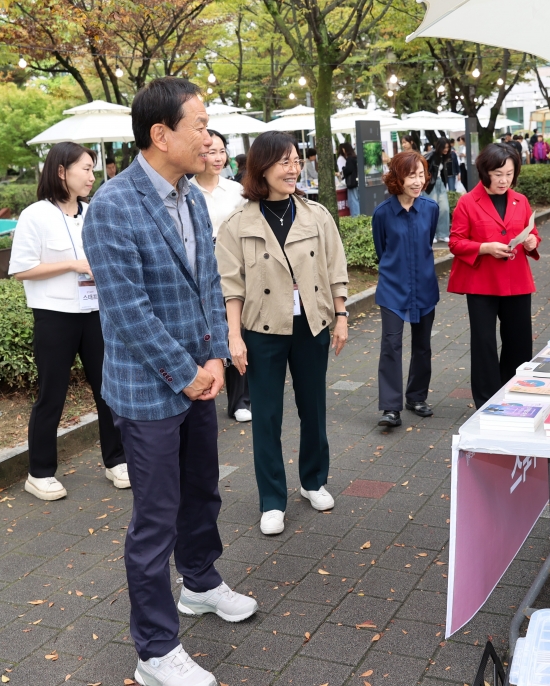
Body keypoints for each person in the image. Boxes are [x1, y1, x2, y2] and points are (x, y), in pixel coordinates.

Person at [83, 78, 255, 686]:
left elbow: (210, 284)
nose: (208, 136)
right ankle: (155, 649)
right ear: (161, 135)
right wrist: (186, 373)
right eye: (200, 125)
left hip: (198, 379)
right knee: (155, 519)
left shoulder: (187, 195)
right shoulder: (112, 205)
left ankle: (202, 582)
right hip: (149, 389)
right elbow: (126, 311)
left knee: (202, 492)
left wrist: (213, 357)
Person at [216, 131, 350, 537]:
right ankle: (272, 500)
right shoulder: (237, 224)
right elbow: (230, 286)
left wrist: (341, 314)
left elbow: (335, 267)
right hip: (262, 330)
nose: (293, 169)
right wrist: (234, 337)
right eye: (283, 162)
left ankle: (313, 481)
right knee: (267, 416)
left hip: (311, 324)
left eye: (296, 161)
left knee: (314, 407)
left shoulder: (316, 215)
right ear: (261, 168)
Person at [8, 143, 127, 502]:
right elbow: (21, 269)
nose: (92, 176)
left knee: (109, 391)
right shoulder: (35, 215)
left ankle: (117, 461)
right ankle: (40, 473)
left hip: (95, 313)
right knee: (52, 396)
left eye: (93, 169)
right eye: (86, 169)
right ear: (62, 171)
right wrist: (73, 265)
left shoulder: (94, 212)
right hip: (54, 317)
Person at [448, 143, 541, 407]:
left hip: (517, 280)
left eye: (509, 174)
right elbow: (455, 242)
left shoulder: (519, 200)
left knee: (519, 341)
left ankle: (514, 392)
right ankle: (487, 401)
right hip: (482, 283)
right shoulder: (467, 202)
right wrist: (484, 248)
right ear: (485, 171)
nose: (504, 180)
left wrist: (532, 241)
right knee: (484, 344)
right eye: (498, 174)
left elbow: (529, 232)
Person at [372, 151, 440, 429]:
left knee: (423, 345)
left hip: (424, 286)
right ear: (397, 178)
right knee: (391, 344)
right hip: (392, 288)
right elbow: (381, 249)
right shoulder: (383, 213)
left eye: (421, 175)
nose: (417, 181)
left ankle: (417, 397)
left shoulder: (431, 208)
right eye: (411, 175)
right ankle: (390, 407)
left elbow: (428, 241)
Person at [193, 129, 251, 423]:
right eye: (209, 151)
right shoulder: (186, 191)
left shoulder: (236, 190)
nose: (216, 157)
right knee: (206, 330)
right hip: (199, 273)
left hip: (232, 271)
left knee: (234, 328)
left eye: (220, 151)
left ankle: (241, 399)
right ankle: (204, 391)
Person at [426, 140, 452, 243]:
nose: (446, 149)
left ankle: (443, 234)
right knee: (432, 209)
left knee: (444, 208)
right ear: (439, 147)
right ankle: (432, 234)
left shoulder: (444, 157)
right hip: (430, 184)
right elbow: (422, 165)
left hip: (440, 183)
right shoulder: (431, 155)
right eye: (444, 147)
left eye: (447, 147)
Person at [340, 141, 360, 216]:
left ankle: (356, 218)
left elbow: (349, 169)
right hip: (357, 182)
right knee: (357, 201)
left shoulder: (349, 159)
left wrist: (343, 169)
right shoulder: (355, 157)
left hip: (352, 183)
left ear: (344, 150)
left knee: (353, 202)